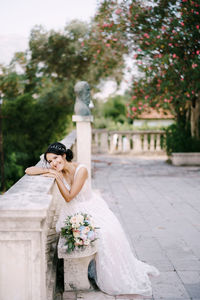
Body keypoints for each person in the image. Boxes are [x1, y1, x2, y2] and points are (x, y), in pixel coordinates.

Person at [25, 142, 159, 296]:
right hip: (73, 211)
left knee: (108, 234)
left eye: (56, 158)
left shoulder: (81, 170)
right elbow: (28, 170)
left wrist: (56, 176)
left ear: (63, 155)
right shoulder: (56, 168)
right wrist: (45, 170)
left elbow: (69, 197)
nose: (53, 163)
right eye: (50, 161)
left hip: (91, 209)